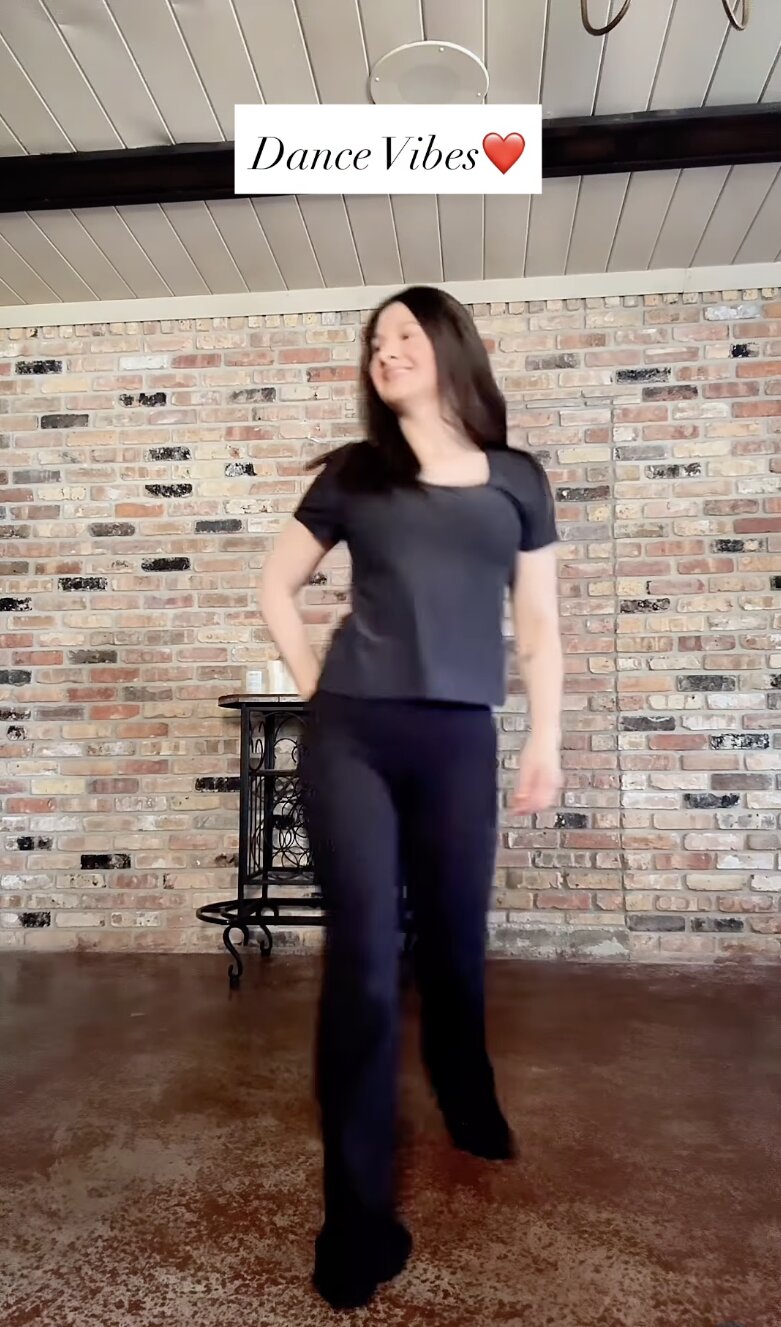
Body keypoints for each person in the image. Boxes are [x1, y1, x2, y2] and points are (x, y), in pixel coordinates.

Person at [259, 285, 564, 1310]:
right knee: (362, 968)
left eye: (404, 334)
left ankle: (465, 1091)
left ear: (447, 348)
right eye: (374, 340)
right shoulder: (356, 474)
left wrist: (545, 740)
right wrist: (318, 687)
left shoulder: (516, 480)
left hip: (458, 738)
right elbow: (274, 587)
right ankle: (355, 1222)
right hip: (351, 735)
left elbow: (538, 628)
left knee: (453, 944)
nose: (384, 350)